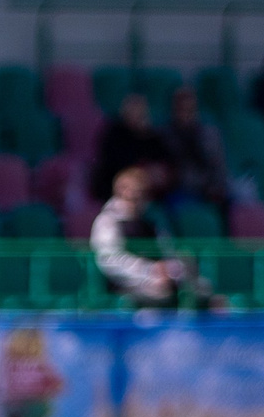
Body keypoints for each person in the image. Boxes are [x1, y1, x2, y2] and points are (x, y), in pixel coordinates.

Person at [91, 165, 196, 307]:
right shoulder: (107, 221)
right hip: (125, 287)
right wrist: (149, 272)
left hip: (162, 282)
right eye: (133, 195)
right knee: (161, 298)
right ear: (120, 191)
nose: (138, 200)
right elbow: (110, 260)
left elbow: (168, 252)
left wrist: (172, 270)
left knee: (200, 293)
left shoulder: (153, 220)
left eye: (142, 194)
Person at [89, 92, 172, 203]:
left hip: (150, 193)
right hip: (115, 192)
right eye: (135, 111)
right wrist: (143, 171)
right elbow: (116, 166)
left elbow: (166, 160)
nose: (139, 115)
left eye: (142, 112)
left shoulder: (151, 135)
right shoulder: (114, 134)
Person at [160, 86, 229, 214]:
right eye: (181, 109)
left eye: (190, 110)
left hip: (210, 190)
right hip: (180, 191)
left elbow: (219, 166)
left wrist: (216, 188)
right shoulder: (164, 136)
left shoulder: (210, 134)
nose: (186, 115)